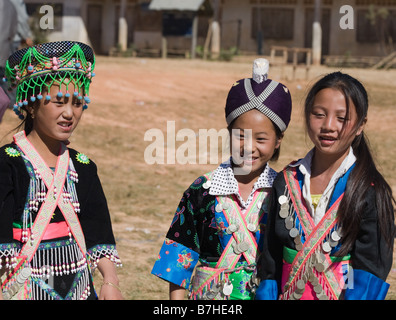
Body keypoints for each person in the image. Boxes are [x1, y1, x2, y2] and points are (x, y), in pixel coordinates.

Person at [151, 59, 292, 300]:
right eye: (240, 136)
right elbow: (178, 260)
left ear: (278, 140)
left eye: (261, 139)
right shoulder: (202, 191)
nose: (249, 147)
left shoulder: (286, 192)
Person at [256, 71, 395, 300]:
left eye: (342, 118)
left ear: (361, 125)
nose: (328, 126)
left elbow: (369, 270)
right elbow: (271, 262)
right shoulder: (286, 182)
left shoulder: (369, 190)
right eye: (319, 114)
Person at [0, 41, 122, 300]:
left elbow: (97, 228)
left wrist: (110, 282)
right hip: (25, 289)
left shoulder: (84, 167)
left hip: (80, 287)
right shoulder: (6, 164)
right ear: (31, 105)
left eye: (77, 103)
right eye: (59, 102)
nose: (69, 113)